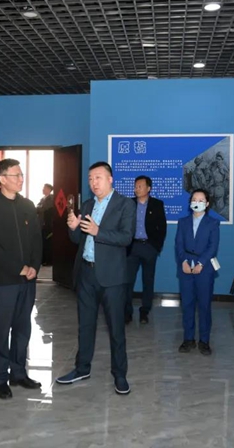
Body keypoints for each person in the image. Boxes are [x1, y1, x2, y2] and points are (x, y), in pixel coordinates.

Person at [55, 162, 135, 395]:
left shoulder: (125, 204)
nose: (93, 183)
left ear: (110, 179)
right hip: (86, 273)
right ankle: (82, 368)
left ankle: (119, 375)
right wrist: (73, 228)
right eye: (90, 178)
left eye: (98, 177)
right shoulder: (88, 205)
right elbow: (78, 239)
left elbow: (126, 238)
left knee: (116, 328)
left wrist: (99, 232)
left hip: (112, 276)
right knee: (85, 325)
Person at [0, 158, 43, 400]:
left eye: (21, 174)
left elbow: (37, 239)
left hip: (28, 281)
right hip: (4, 282)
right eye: (16, 175)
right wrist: (19, 268)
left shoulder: (27, 205)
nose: (21, 179)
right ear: (2, 179)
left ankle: (18, 372)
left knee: (23, 328)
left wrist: (34, 266)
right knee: (0, 330)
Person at [174, 188, 219, 356]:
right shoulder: (183, 222)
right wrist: (184, 261)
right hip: (186, 268)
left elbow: (212, 247)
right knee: (187, 305)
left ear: (207, 204)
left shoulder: (213, 223)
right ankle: (188, 339)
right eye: (194, 199)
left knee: (204, 306)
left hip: (204, 269)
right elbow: (178, 244)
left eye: (201, 200)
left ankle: (204, 341)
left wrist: (201, 263)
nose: (197, 203)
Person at [125, 175, 167, 325]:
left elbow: (162, 228)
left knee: (148, 281)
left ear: (148, 188)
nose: (137, 189)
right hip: (132, 247)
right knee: (128, 281)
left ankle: (145, 311)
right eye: (135, 186)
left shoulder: (157, 204)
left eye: (140, 186)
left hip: (149, 247)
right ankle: (127, 312)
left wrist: (156, 247)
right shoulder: (129, 203)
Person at [36, 183, 55, 265]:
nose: (43, 189)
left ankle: (48, 260)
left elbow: (43, 208)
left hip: (47, 224)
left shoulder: (51, 198)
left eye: (45, 188)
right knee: (42, 242)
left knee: (47, 243)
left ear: (49, 190)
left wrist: (35, 208)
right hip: (41, 223)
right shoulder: (42, 199)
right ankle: (43, 259)